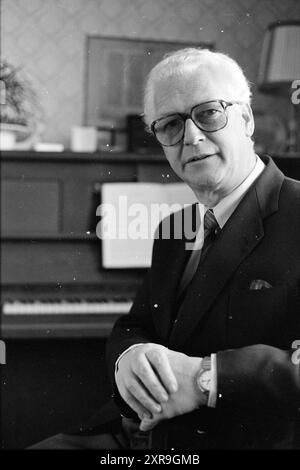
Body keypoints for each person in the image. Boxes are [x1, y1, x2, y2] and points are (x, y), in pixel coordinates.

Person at [31, 48, 300, 450]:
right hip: (139, 433)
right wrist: (129, 356)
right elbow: (137, 324)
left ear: (245, 120)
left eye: (209, 113)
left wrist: (203, 379)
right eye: (171, 124)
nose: (191, 137)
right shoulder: (172, 228)